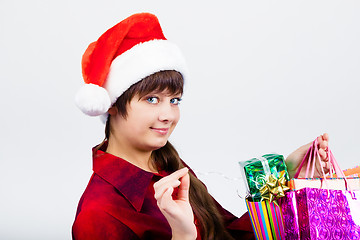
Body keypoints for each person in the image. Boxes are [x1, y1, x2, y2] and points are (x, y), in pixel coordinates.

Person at [72, 13, 329, 240]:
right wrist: (183, 235)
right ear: (112, 105)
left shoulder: (168, 164)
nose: (167, 115)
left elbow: (230, 233)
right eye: (152, 99)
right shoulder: (98, 213)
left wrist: (286, 177)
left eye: (174, 100)